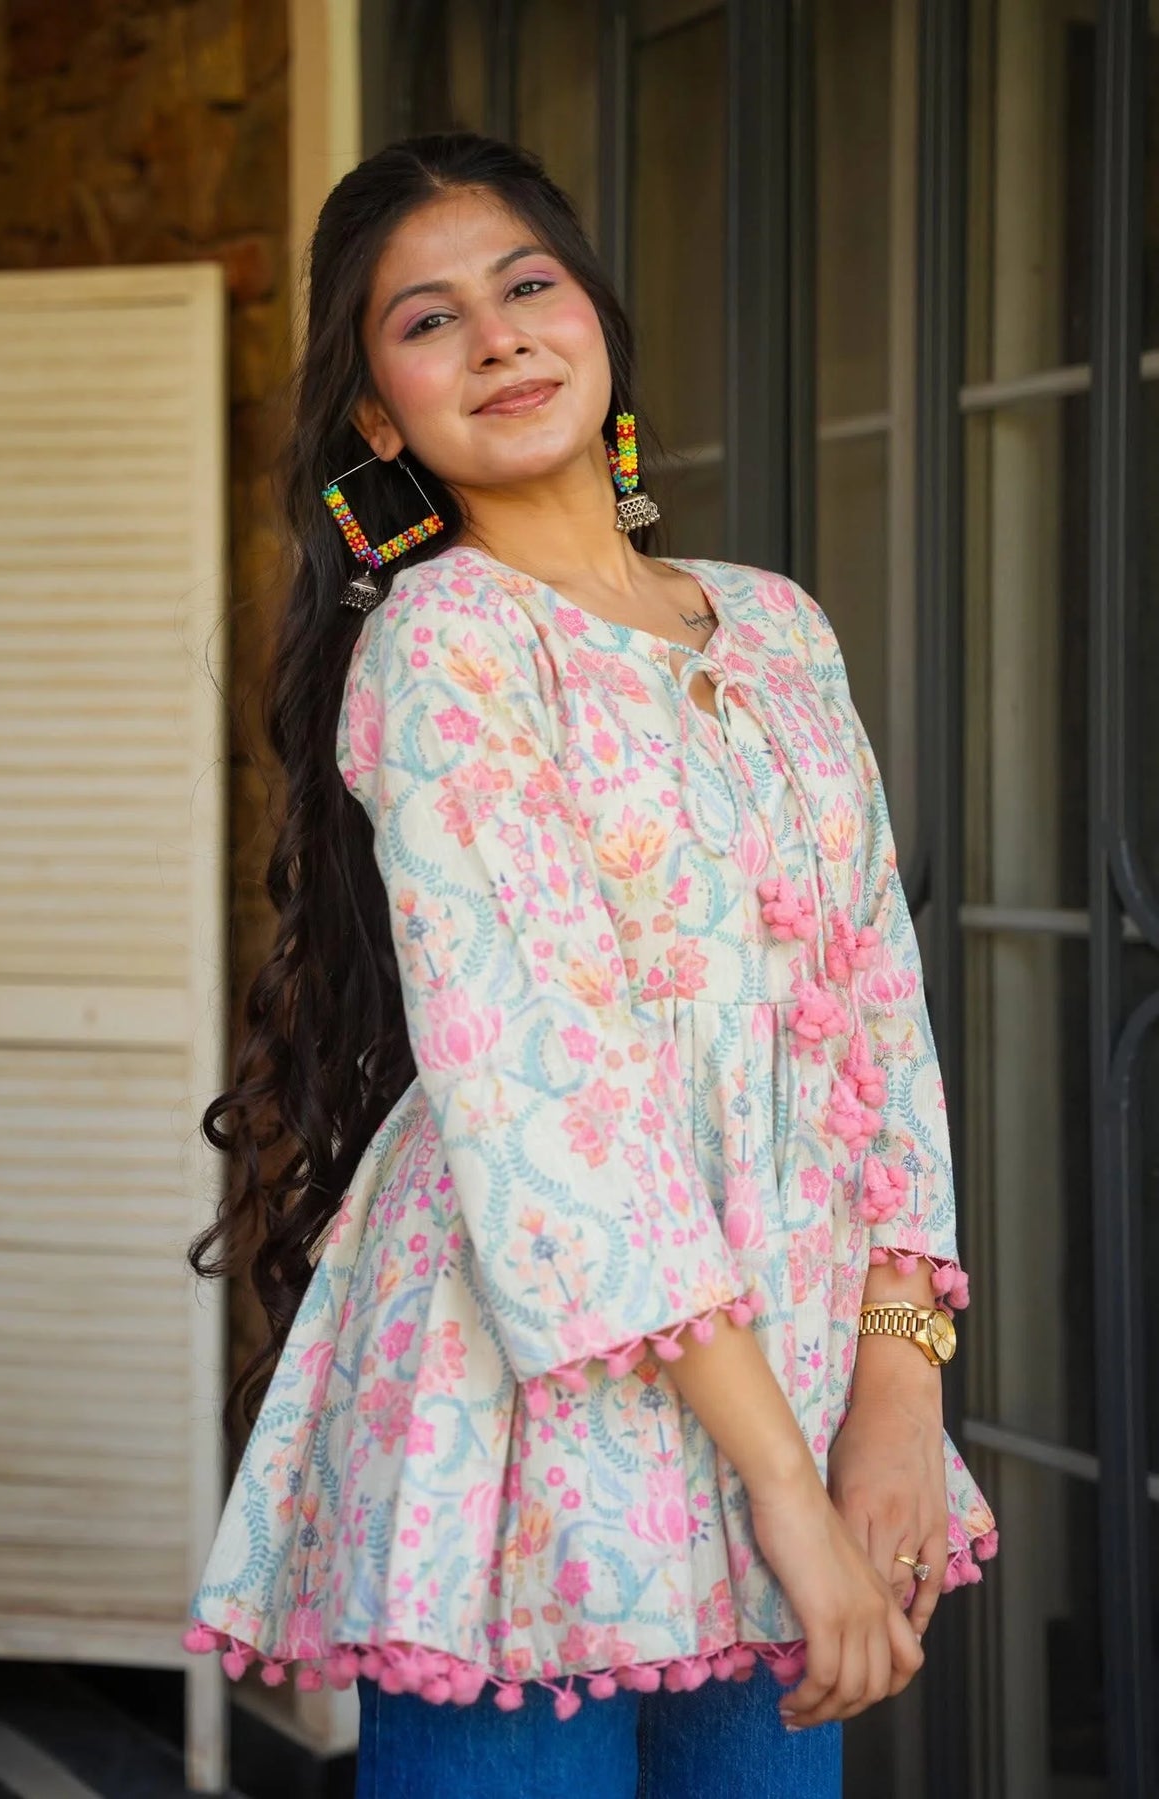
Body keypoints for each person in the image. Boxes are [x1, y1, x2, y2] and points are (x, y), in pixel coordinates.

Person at [183, 132, 997, 1799]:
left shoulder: (776, 625)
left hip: (807, 1370)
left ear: (597, 324)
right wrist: (784, 1485)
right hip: (537, 1423)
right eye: (429, 320)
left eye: (528, 285)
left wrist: (897, 1396)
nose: (497, 337)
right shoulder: (447, 645)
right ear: (378, 417)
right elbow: (558, 1093)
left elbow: (879, 1015)